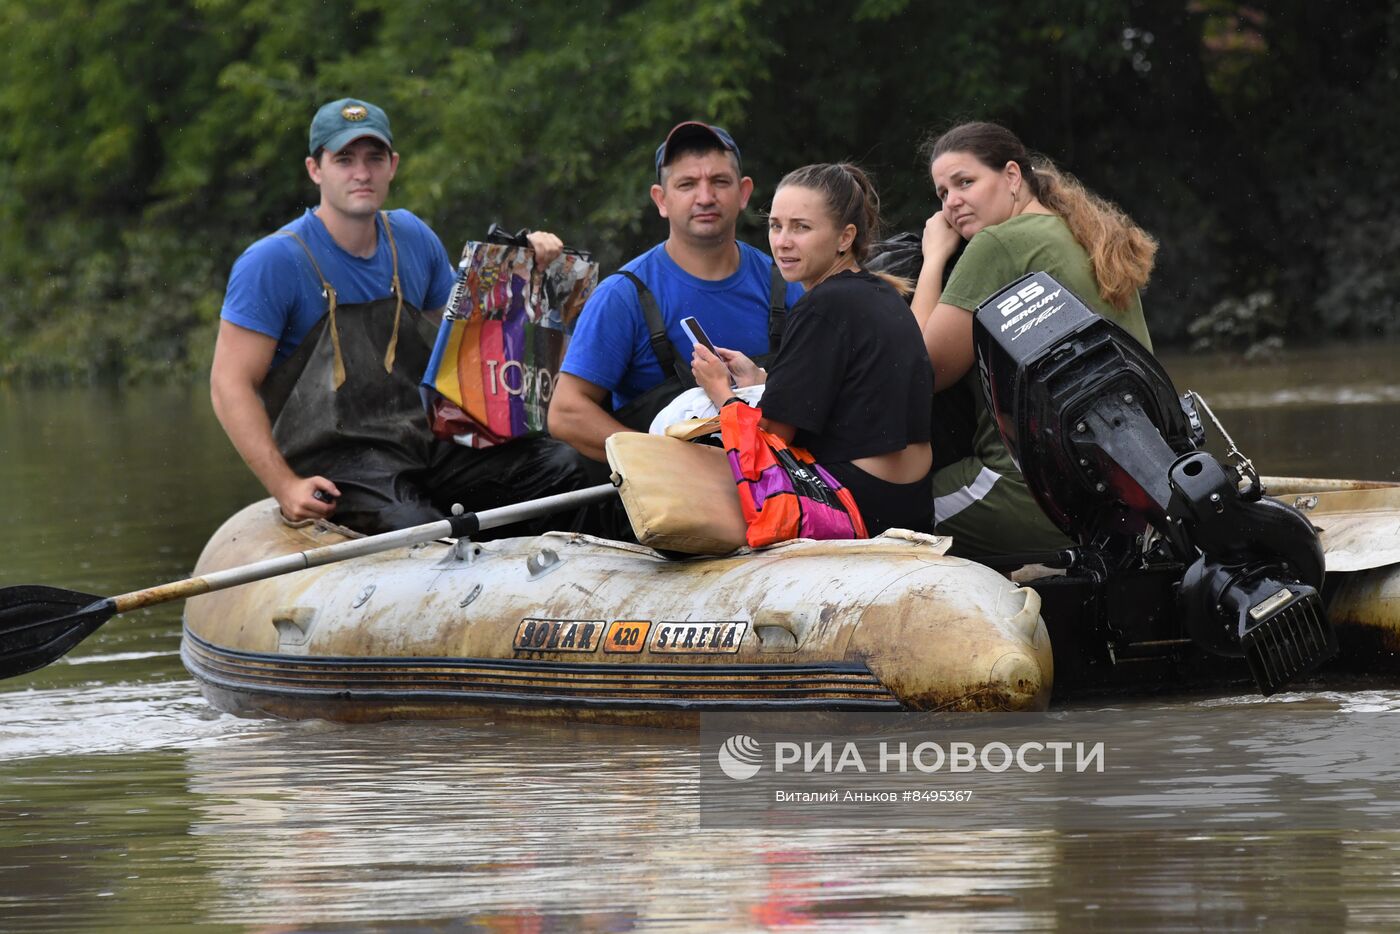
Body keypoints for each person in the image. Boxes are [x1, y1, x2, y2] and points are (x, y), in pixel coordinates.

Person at [210, 97, 591, 535]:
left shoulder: (411, 235)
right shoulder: (272, 262)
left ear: (392, 165)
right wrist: (285, 486)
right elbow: (229, 385)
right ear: (316, 170)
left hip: (423, 440)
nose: (361, 172)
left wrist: (526, 269)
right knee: (416, 528)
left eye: (374, 158)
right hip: (339, 460)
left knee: (561, 466)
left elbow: (478, 337)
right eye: (344, 159)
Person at [912, 120, 1158, 556]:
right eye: (942, 194)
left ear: (1011, 176)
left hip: (1035, 497)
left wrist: (933, 259)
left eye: (965, 182)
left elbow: (922, 372)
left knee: (886, 510)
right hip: (1127, 495)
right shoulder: (1083, 232)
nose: (952, 203)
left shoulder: (998, 244)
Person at [691, 163, 934, 536]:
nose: (783, 241)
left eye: (801, 227)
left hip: (861, 504)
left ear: (844, 237)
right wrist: (761, 380)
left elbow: (771, 442)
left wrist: (719, 390)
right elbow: (850, 399)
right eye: (776, 225)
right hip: (911, 501)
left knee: (707, 476)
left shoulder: (823, 305)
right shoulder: (880, 292)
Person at [548, 121, 802, 463]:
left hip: (778, 495)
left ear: (743, 193)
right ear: (661, 199)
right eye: (687, 184)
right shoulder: (623, 297)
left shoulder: (788, 285)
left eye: (719, 182)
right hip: (668, 508)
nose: (705, 197)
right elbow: (566, 413)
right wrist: (665, 465)